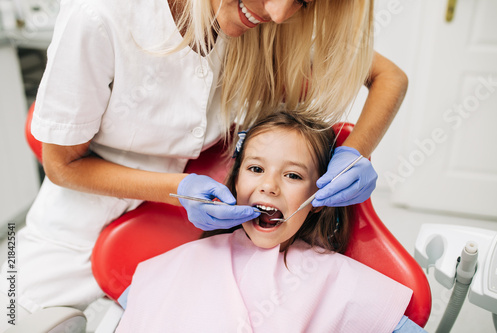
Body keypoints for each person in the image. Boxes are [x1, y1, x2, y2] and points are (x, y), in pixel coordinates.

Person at [0, 0, 408, 323]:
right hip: (74, 233)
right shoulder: (100, 14)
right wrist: (176, 190)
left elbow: (390, 77)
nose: (280, 13)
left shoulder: (266, 24)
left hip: (182, 237)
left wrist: (355, 152)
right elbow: (61, 166)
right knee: (14, 313)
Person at [116, 112, 424, 332]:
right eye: (255, 169)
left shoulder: (335, 276)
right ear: (234, 184)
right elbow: (140, 308)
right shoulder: (187, 261)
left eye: (293, 175)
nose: (269, 186)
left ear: (322, 197)